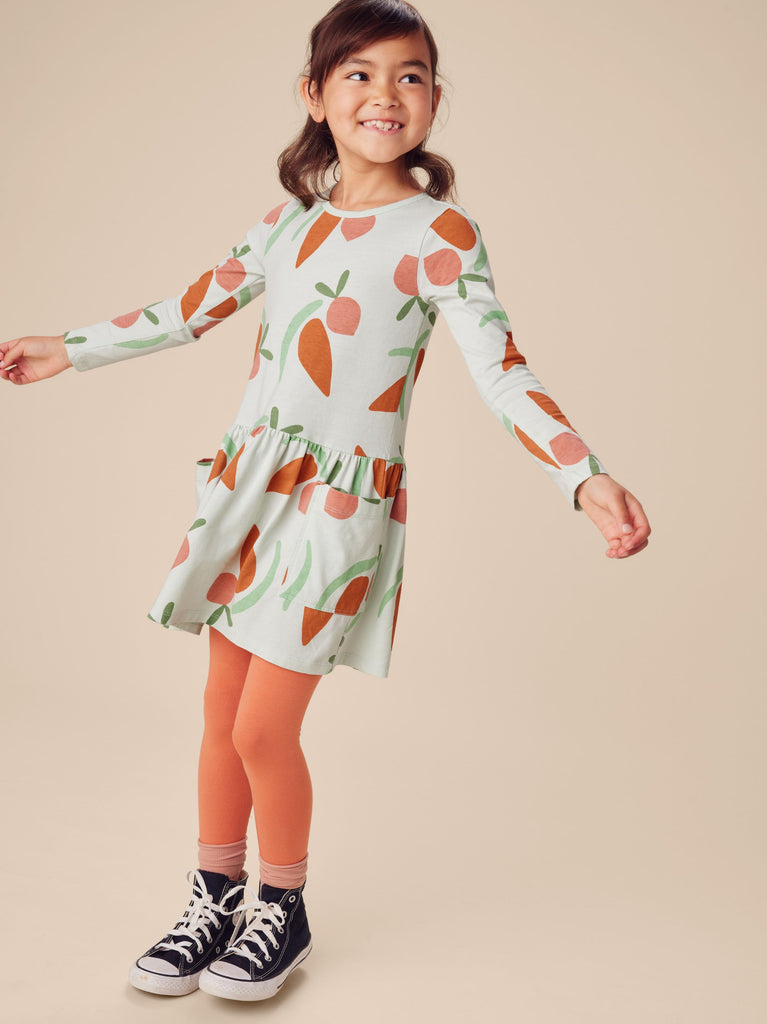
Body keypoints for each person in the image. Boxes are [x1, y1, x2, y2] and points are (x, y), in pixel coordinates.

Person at [0, 0, 650, 1004]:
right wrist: (67, 349)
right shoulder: (285, 226)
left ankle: (283, 905)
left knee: (264, 729)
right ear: (314, 95)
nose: (385, 95)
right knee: (220, 712)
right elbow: (187, 312)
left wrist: (581, 474)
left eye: (408, 75)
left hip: (340, 510)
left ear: (432, 98)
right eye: (359, 73)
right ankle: (214, 896)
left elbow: (500, 371)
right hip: (250, 493)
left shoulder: (440, 232)